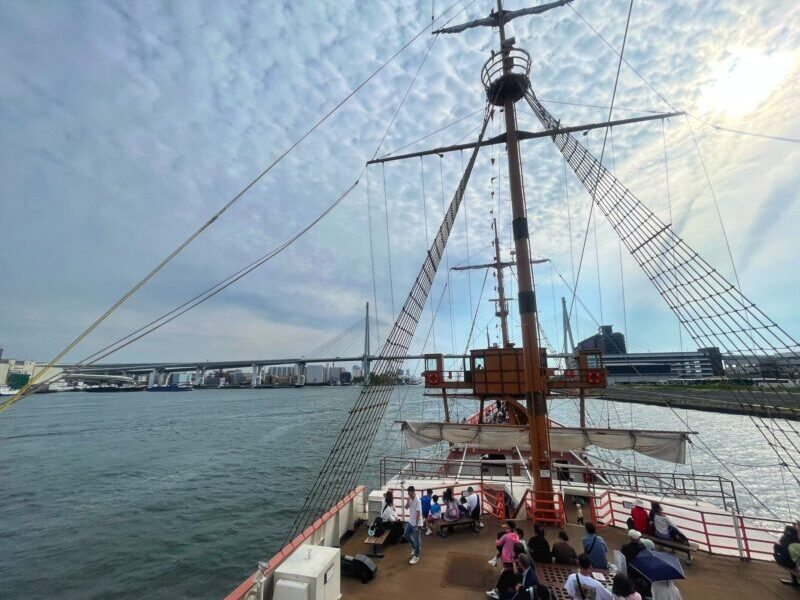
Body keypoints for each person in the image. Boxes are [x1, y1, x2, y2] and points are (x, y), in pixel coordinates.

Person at [404, 485, 423, 564]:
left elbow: (418, 513)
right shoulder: (410, 499)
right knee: (406, 535)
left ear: (414, 492)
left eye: (411, 494)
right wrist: (408, 501)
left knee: (417, 540)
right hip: (410, 521)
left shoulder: (418, 500)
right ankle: (415, 548)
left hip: (417, 523)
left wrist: (416, 525)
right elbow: (406, 507)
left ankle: (416, 557)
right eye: (409, 494)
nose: (410, 496)